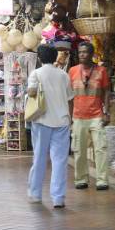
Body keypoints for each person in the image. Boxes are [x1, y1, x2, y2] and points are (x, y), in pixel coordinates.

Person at [26, 43, 74, 208]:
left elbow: (31, 92)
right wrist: (70, 118)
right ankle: (58, 198)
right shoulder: (63, 75)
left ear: (39, 58)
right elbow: (70, 98)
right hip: (62, 121)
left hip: (42, 121)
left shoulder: (36, 73)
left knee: (39, 158)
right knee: (60, 160)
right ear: (54, 58)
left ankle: (35, 194)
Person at [69, 41, 111, 190]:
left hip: (97, 115)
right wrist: (69, 117)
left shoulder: (101, 71)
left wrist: (106, 112)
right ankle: (81, 179)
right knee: (79, 150)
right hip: (78, 116)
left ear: (92, 54)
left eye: (85, 52)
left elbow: (106, 92)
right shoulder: (73, 71)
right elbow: (69, 96)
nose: (82, 55)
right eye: (80, 52)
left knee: (100, 148)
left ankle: (102, 180)